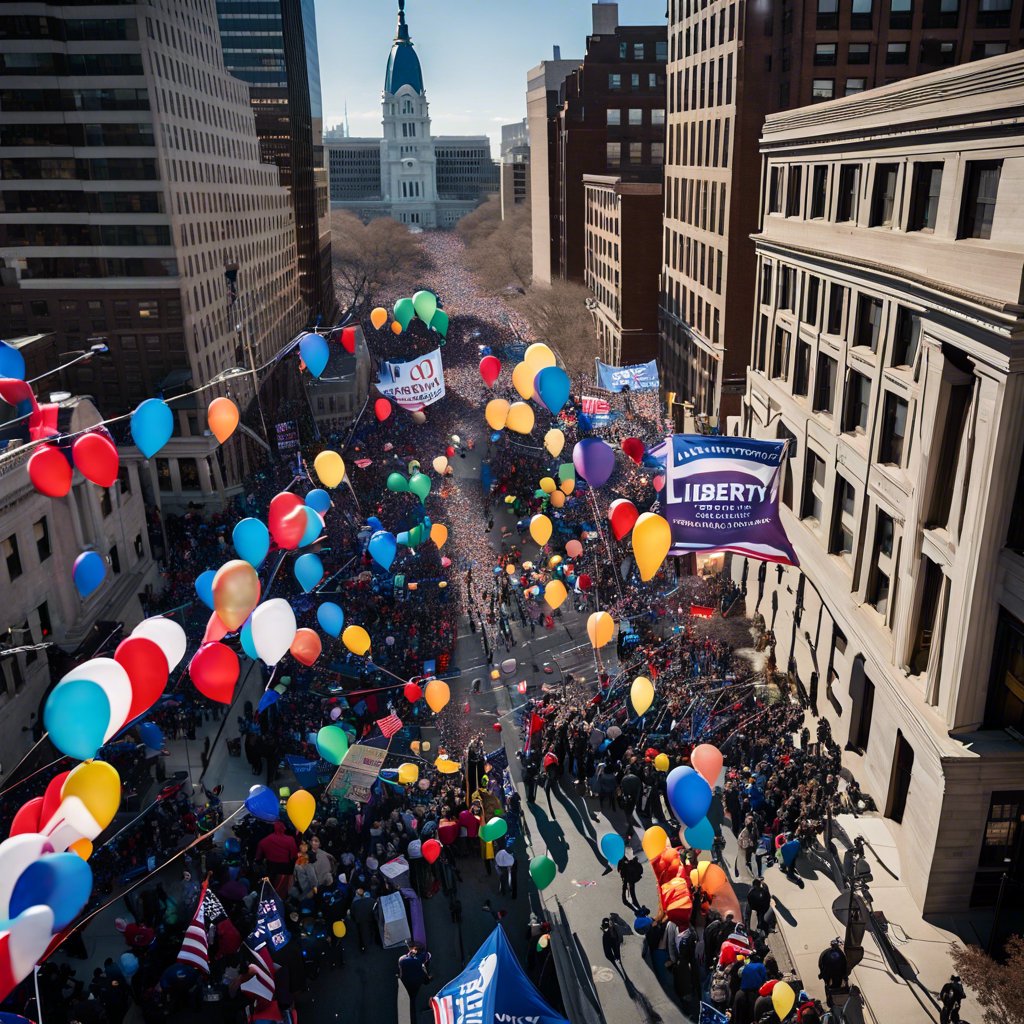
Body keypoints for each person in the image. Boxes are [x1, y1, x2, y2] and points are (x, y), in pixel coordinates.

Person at [397, 942, 433, 1015]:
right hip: (414, 984)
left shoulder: (402, 959)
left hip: (404, 981)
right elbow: (427, 981)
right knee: (412, 996)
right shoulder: (421, 966)